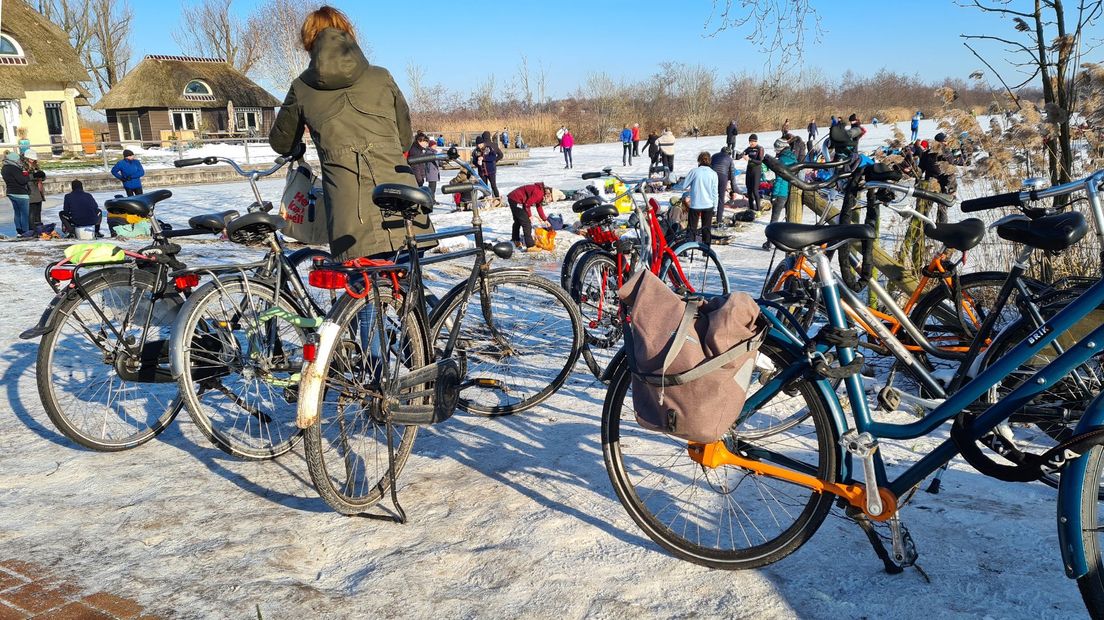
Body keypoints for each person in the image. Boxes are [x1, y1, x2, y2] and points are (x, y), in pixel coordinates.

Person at [269, 5, 434, 261]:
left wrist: (302, 142)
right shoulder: (381, 77)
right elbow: (404, 139)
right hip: (401, 199)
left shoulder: (302, 87)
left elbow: (281, 143)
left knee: (363, 292)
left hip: (349, 214)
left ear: (309, 41)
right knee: (409, 287)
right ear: (348, 34)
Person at [764, 138, 798, 249]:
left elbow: (779, 179)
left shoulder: (781, 160)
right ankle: (789, 242)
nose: (775, 151)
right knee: (790, 218)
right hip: (792, 191)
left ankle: (770, 242)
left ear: (780, 148)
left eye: (776, 148)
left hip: (781, 193)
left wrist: (774, 195)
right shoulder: (793, 157)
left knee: (774, 220)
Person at [682, 151, 718, 245]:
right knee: (706, 229)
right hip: (708, 204)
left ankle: (689, 246)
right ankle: (706, 251)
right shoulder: (713, 173)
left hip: (695, 204)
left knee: (691, 228)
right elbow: (715, 192)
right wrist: (715, 206)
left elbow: (684, 185)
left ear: (699, 161)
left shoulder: (694, 171)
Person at [506, 181, 551, 251]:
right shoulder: (539, 193)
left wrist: (545, 219)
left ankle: (515, 240)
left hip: (515, 199)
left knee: (518, 221)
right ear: (547, 195)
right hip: (516, 199)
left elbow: (539, 206)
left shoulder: (541, 193)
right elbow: (527, 204)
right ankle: (530, 246)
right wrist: (529, 215)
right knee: (526, 223)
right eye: (550, 199)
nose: (549, 201)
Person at [2, 151, 31, 235]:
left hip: (11, 192)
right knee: (24, 214)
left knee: (17, 213)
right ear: (14, 160)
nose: (19, 161)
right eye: (18, 159)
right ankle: (25, 232)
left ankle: (19, 230)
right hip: (20, 193)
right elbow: (22, 181)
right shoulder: (14, 168)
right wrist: (26, 175)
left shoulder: (4, 168)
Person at [736, 134, 765, 213]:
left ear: (756, 141)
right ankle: (751, 208)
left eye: (753, 141)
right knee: (749, 190)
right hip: (749, 171)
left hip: (756, 171)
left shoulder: (760, 149)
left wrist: (750, 159)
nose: (751, 143)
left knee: (755, 190)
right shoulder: (749, 149)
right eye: (750, 141)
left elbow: (759, 161)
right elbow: (739, 157)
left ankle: (758, 209)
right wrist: (739, 154)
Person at [407, 132, 440, 198]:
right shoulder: (415, 150)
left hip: (419, 177)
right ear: (420, 141)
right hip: (416, 178)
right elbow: (415, 167)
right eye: (425, 142)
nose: (427, 144)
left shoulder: (419, 150)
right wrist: (419, 179)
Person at [710, 146, 737, 224]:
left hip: (712, 176)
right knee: (721, 199)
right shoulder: (729, 159)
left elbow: (709, 166)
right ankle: (719, 220)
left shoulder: (714, 155)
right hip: (722, 177)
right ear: (729, 153)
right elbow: (732, 175)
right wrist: (734, 189)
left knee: (711, 196)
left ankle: (709, 215)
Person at [24, 150, 45, 229]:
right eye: (31, 158)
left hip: (38, 191)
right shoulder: (23, 166)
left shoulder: (35, 165)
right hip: (30, 191)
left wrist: (42, 176)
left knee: (38, 211)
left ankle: (39, 228)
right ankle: (32, 229)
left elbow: (40, 177)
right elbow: (24, 178)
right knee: (32, 212)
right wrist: (34, 176)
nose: (33, 160)